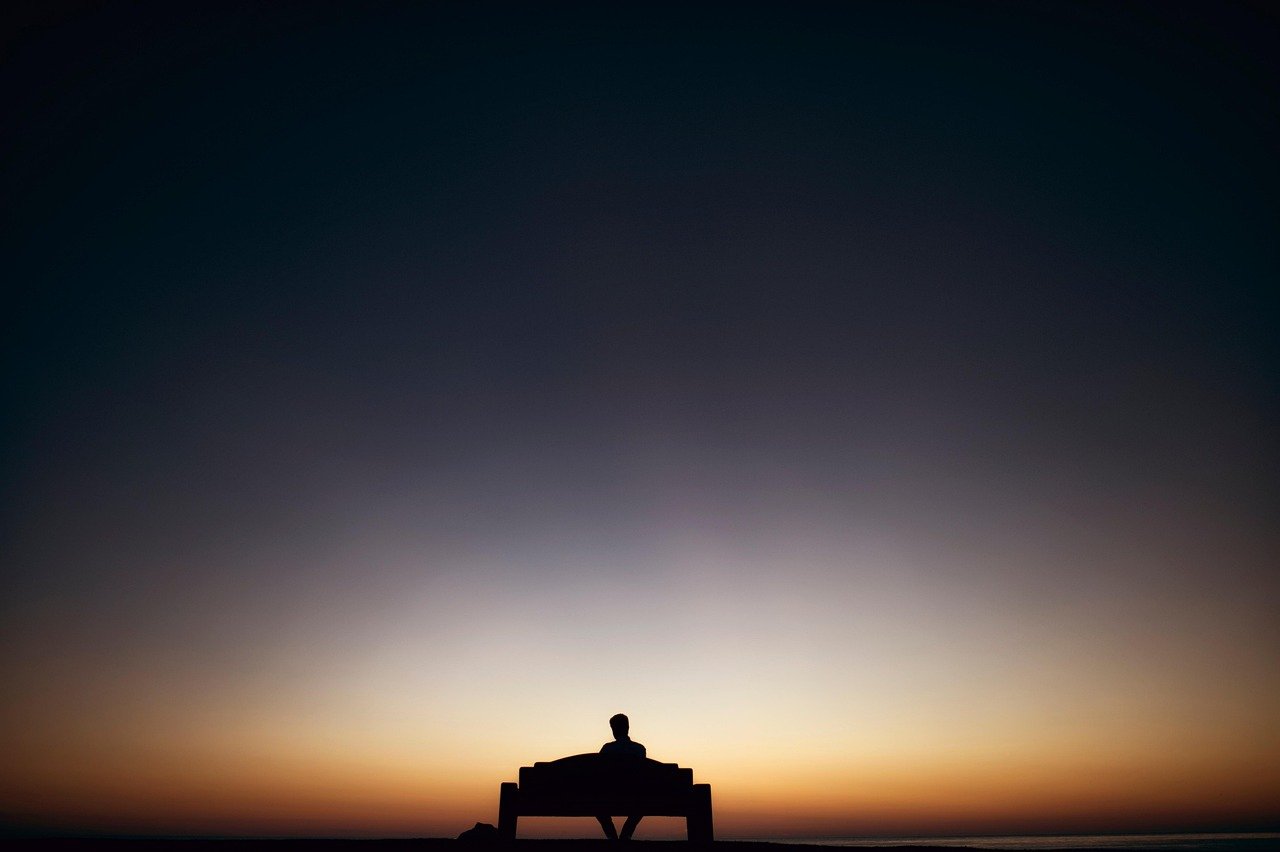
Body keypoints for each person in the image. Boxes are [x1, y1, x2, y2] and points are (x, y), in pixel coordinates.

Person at [596, 713, 645, 840]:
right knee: (641, 807)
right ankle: (625, 837)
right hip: (634, 798)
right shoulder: (639, 750)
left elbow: (599, 775)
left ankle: (613, 839)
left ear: (614, 729)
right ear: (628, 727)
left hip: (609, 797)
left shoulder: (607, 749)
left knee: (598, 809)